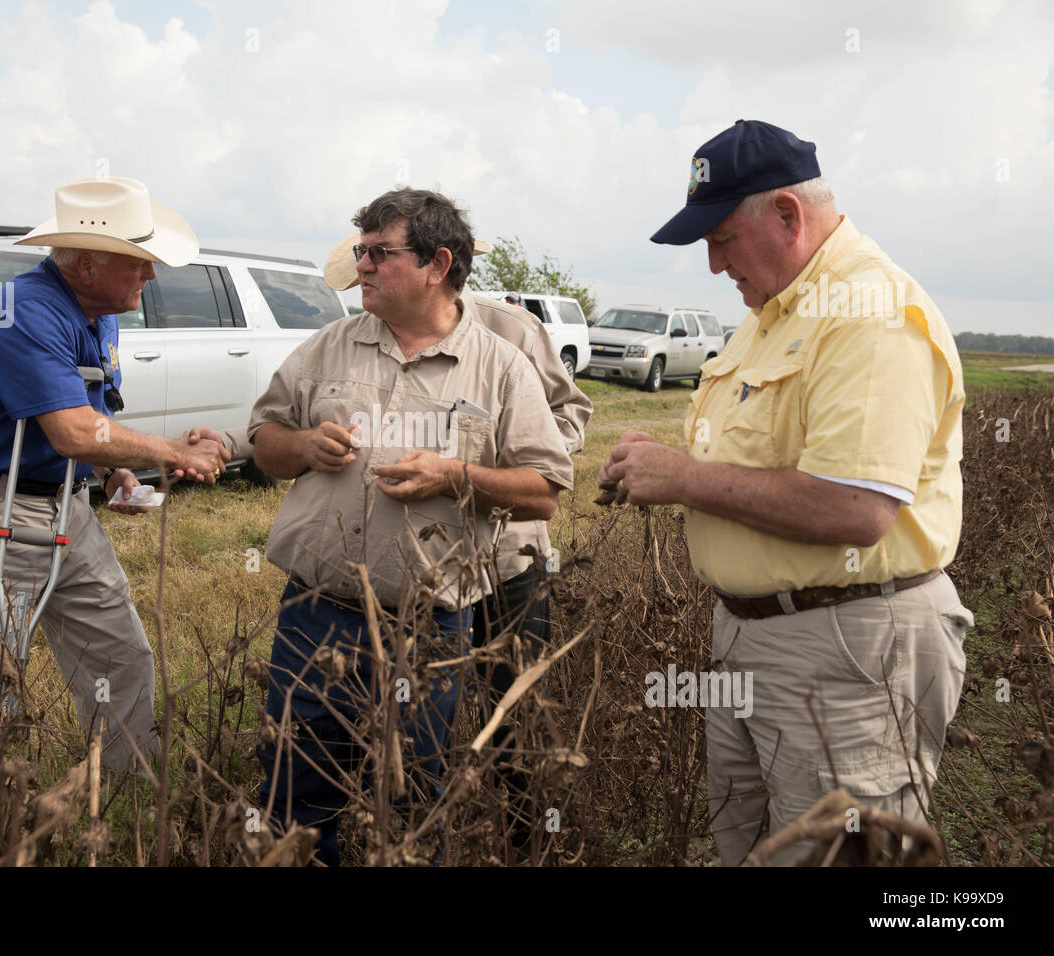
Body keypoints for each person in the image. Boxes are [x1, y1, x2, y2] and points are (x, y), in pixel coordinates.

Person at [601, 119, 970, 865]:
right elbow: (757, 455)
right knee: (755, 850)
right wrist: (669, 460)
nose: (712, 265)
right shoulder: (770, 314)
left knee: (833, 857)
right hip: (754, 636)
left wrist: (683, 478)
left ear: (787, 216)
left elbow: (856, 508)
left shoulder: (870, 315)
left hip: (847, 648)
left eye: (721, 239)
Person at [250, 188, 574, 865]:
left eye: (380, 253)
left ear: (437, 264)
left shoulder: (501, 364)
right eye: (361, 252)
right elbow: (264, 440)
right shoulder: (329, 347)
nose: (362, 266)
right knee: (295, 789)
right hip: (316, 613)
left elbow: (544, 491)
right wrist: (304, 446)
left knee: (412, 798)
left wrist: (458, 476)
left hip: (429, 627)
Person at [0, 177, 229, 798]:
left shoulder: (100, 309)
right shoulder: (25, 307)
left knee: (120, 650)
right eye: (140, 261)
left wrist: (108, 469)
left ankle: (133, 795)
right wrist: (171, 451)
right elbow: (70, 430)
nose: (151, 276)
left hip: (64, 504)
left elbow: (81, 417)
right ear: (88, 262)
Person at [324, 232, 592, 850]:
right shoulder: (360, 340)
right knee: (415, 710)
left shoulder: (510, 332)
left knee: (513, 703)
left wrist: (485, 454)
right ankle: (403, 819)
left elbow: (569, 417)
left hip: (505, 554)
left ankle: (526, 835)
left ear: (434, 269)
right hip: (423, 567)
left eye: (379, 262)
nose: (364, 282)